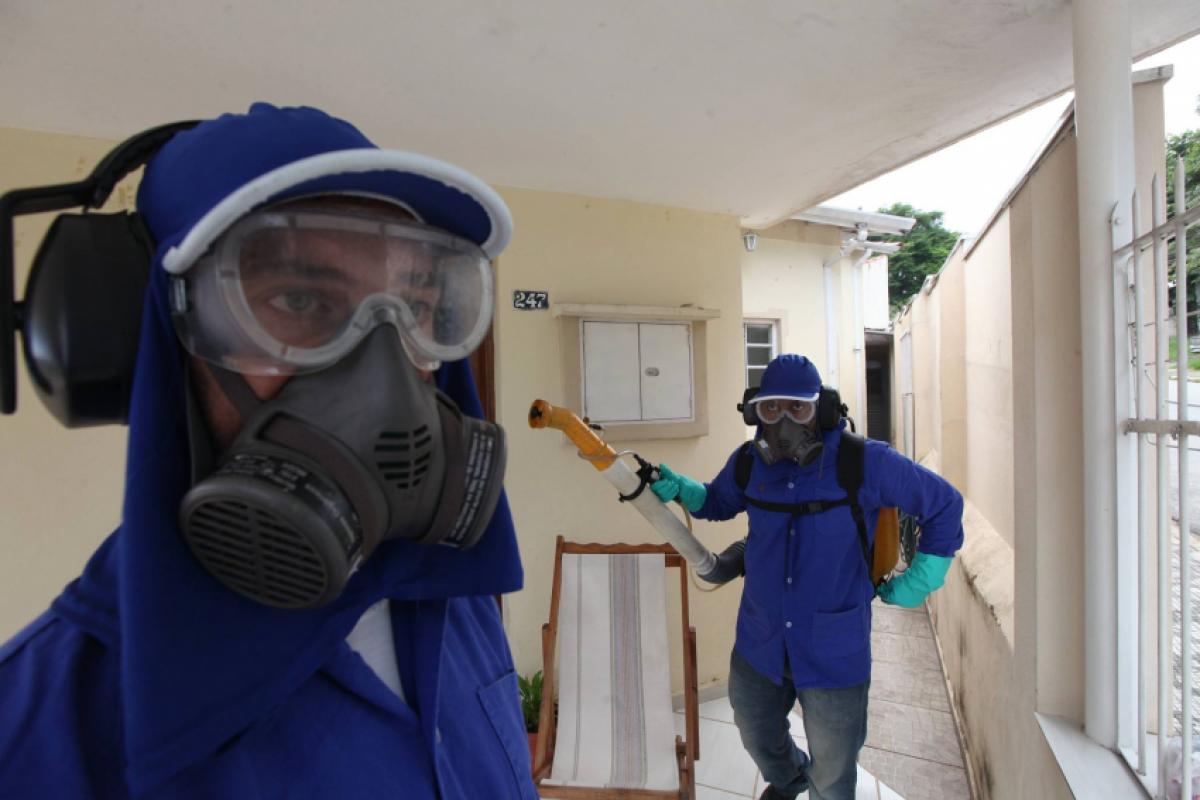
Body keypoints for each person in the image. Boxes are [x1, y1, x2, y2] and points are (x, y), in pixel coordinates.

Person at [0, 104, 537, 799]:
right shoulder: (37, 733)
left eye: (415, 304)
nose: (385, 370)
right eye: (300, 301)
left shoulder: (449, 599)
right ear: (155, 330)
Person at [651, 353, 963, 800]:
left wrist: (921, 579)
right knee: (755, 730)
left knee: (833, 773)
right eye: (771, 409)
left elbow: (944, 503)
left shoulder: (864, 462)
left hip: (833, 648)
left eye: (798, 409)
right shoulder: (749, 462)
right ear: (755, 412)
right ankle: (789, 779)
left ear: (824, 409)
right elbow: (717, 501)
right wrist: (683, 489)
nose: (783, 423)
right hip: (761, 639)